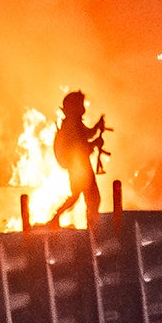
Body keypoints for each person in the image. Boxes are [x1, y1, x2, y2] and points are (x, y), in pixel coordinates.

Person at [48, 90, 105, 228]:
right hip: (78, 168)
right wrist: (95, 143)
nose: (83, 108)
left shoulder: (76, 124)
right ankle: (89, 225)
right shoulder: (70, 126)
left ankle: (90, 224)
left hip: (82, 166)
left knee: (87, 197)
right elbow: (80, 148)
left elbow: (87, 134)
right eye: (80, 104)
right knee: (86, 197)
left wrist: (97, 127)